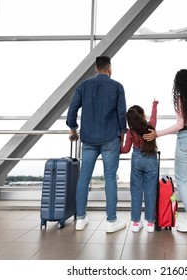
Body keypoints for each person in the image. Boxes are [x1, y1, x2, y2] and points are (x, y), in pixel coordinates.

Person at [143, 69, 187, 232]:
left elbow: (180, 125)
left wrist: (158, 134)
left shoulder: (180, 99)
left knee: (181, 179)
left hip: (186, 140)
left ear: (179, 84)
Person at [66, 55, 127, 233]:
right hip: (110, 138)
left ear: (96, 68)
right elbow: (121, 113)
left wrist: (73, 129)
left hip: (89, 139)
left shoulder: (83, 86)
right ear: (109, 68)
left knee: (84, 178)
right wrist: (122, 134)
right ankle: (111, 221)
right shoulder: (117, 86)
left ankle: (80, 219)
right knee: (110, 178)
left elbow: (72, 110)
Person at [120, 100, 159, 233]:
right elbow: (154, 117)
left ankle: (136, 223)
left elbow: (125, 150)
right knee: (150, 191)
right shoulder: (150, 126)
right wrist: (154, 104)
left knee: (136, 192)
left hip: (137, 159)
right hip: (151, 159)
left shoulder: (131, 132)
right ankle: (150, 224)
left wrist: (118, 144)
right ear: (142, 115)